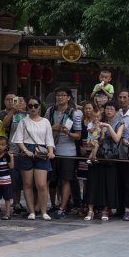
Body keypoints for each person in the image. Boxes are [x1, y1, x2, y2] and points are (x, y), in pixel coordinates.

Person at [12, 97, 55, 221]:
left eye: (35, 106)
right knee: (27, 184)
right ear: (27, 108)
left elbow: (49, 139)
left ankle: (43, 211)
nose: (33, 108)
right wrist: (25, 150)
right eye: (30, 106)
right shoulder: (23, 121)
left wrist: (51, 151)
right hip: (27, 152)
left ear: (39, 107)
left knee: (41, 184)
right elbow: (18, 139)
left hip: (41, 152)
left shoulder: (46, 122)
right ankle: (31, 211)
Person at [43, 87, 82, 219]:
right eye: (58, 95)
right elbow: (44, 127)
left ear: (68, 98)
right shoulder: (50, 110)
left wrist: (67, 133)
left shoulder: (74, 113)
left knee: (66, 179)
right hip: (52, 148)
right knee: (52, 179)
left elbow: (78, 135)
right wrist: (54, 128)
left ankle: (63, 207)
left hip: (68, 151)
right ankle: (53, 204)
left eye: (63, 95)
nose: (60, 97)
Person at [85, 101, 123, 222]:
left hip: (110, 157)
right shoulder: (97, 121)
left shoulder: (119, 123)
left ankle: (105, 210)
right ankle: (90, 210)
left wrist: (108, 126)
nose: (109, 111)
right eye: (107, 108)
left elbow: (117, 138)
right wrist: (96, 128)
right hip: (97, 155)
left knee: (108, 184)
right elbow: (93, 136)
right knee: (93, 182)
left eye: (112, 109)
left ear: (116, 111)